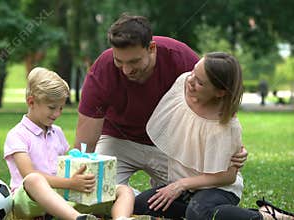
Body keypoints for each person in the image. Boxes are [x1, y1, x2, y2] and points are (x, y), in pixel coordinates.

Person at [74, 14, 248, 188]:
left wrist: (232, 147)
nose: (126, 70)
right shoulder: (102, 70)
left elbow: (220, 104)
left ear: (151, 48)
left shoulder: (182, 59)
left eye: (134, 61)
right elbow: (84, 142)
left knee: (190, 194)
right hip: (118, 140)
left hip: (169, 144)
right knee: (99, 190)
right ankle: (130, 201)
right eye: (119, 61)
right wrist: (78, 175)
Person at [133, 52, 294, 220]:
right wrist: (178, 185)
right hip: (186, 190)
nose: (191, 81)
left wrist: (181, 185)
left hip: (218, 188)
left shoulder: (227, 125)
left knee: (198, 212)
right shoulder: (182, 83)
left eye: (200, 82)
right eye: (193, 72)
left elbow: (227, 177)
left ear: (220, 92)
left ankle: (264, 216)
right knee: (141, 204)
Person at [3, 67, 135, 220]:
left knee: (123, 190)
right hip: (30, 200)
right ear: (31, 101)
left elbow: (64, 169)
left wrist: (83, 175)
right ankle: (77, 218)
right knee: (34, 179)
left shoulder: (57, 132)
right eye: (52, 108)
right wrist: (70, 183)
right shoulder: (17, 135)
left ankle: (121, 218)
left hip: (62, 195)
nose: (57, 114)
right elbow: (28, 174)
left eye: (61, 108)